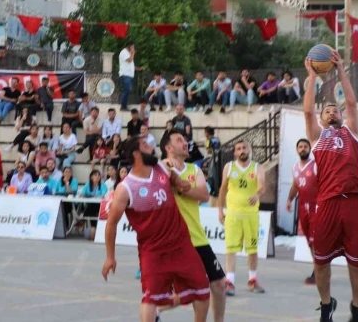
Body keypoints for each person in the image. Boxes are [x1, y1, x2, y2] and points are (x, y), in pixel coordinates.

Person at [102, 136, 210, 322]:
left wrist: (179, 183)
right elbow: (111, 223)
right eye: (145, 145)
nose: (151, 147)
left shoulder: (160, 167)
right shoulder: (126, 188)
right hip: (153, 251)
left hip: (181, 245)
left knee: (202, 291)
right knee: (151, 298)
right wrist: (110, 257)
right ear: (136, 154)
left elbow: (172, 175)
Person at [303, 50, 358, 322]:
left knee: (356, 263)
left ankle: (357, 306)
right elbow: (307, 109)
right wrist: (311, 78)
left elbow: (351, 104)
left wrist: (341, 70)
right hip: (327, 202)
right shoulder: (318, 137)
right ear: (321, 117)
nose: (333, 111)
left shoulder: (351, 130)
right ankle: (327, 304)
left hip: (354, 201)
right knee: (321, 262)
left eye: (335, 109)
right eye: (327, 109)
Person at [164, 129, 227, 322]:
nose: (185, 143)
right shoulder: (160, 168)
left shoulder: (194, 169)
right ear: (168, 148)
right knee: (192, 292)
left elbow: (204, 195)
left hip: (198, 238)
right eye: (179, 140)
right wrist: (172, 176)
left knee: (219, 283)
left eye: (185, 139)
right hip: (176, 241)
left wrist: (182, 187)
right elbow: (162, 183)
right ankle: (152, 309)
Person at [218, 140, 266, 296]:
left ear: (249, 149)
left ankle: (252, 279)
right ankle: (229, 281)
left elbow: (262, 185)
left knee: (252, 249)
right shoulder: (229, 167)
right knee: (231, 249)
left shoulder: (257, 167)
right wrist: (220, 210)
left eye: (244, 147)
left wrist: (257, 194)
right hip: (233, 215)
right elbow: (223, 189)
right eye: (238, 149)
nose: (241, 150)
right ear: (234, 153)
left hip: (251, 216)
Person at [286, 138, 317, 285]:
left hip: (316, 208)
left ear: (309, 149)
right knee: (310, 243)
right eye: (300, 147)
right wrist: (289, 200)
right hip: (303, 209)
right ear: (297, 150)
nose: (303, 149)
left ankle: (318, 271)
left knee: (316, 241)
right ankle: (319, 267)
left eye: (305, 146)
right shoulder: (295, 168)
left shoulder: (316, 165)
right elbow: (295, 186)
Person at [80, 169, 107, 240]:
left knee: (92, 208)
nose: (97, 177)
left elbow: (103, 195)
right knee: (91, 207)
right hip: (89, 204)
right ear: (91, 177)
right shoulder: (87, 185)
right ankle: (93, 228)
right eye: (95, 175)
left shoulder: (103, 185)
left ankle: (85, 224)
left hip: (100, 206)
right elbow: (82, 194)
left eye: (99, 175)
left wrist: (90, 196)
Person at [118, 41, 137, 111]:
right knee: (127, 89)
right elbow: (130, 60)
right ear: (129, 46)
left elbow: (130, 64)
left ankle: (124, 105)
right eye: (133, 47)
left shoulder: (128, 53)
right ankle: (123, 106)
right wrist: (133, 53)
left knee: (127, 90)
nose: (134, 48)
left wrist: (138, 68)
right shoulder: (124, 52)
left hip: (129, 75)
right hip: (125, 75)